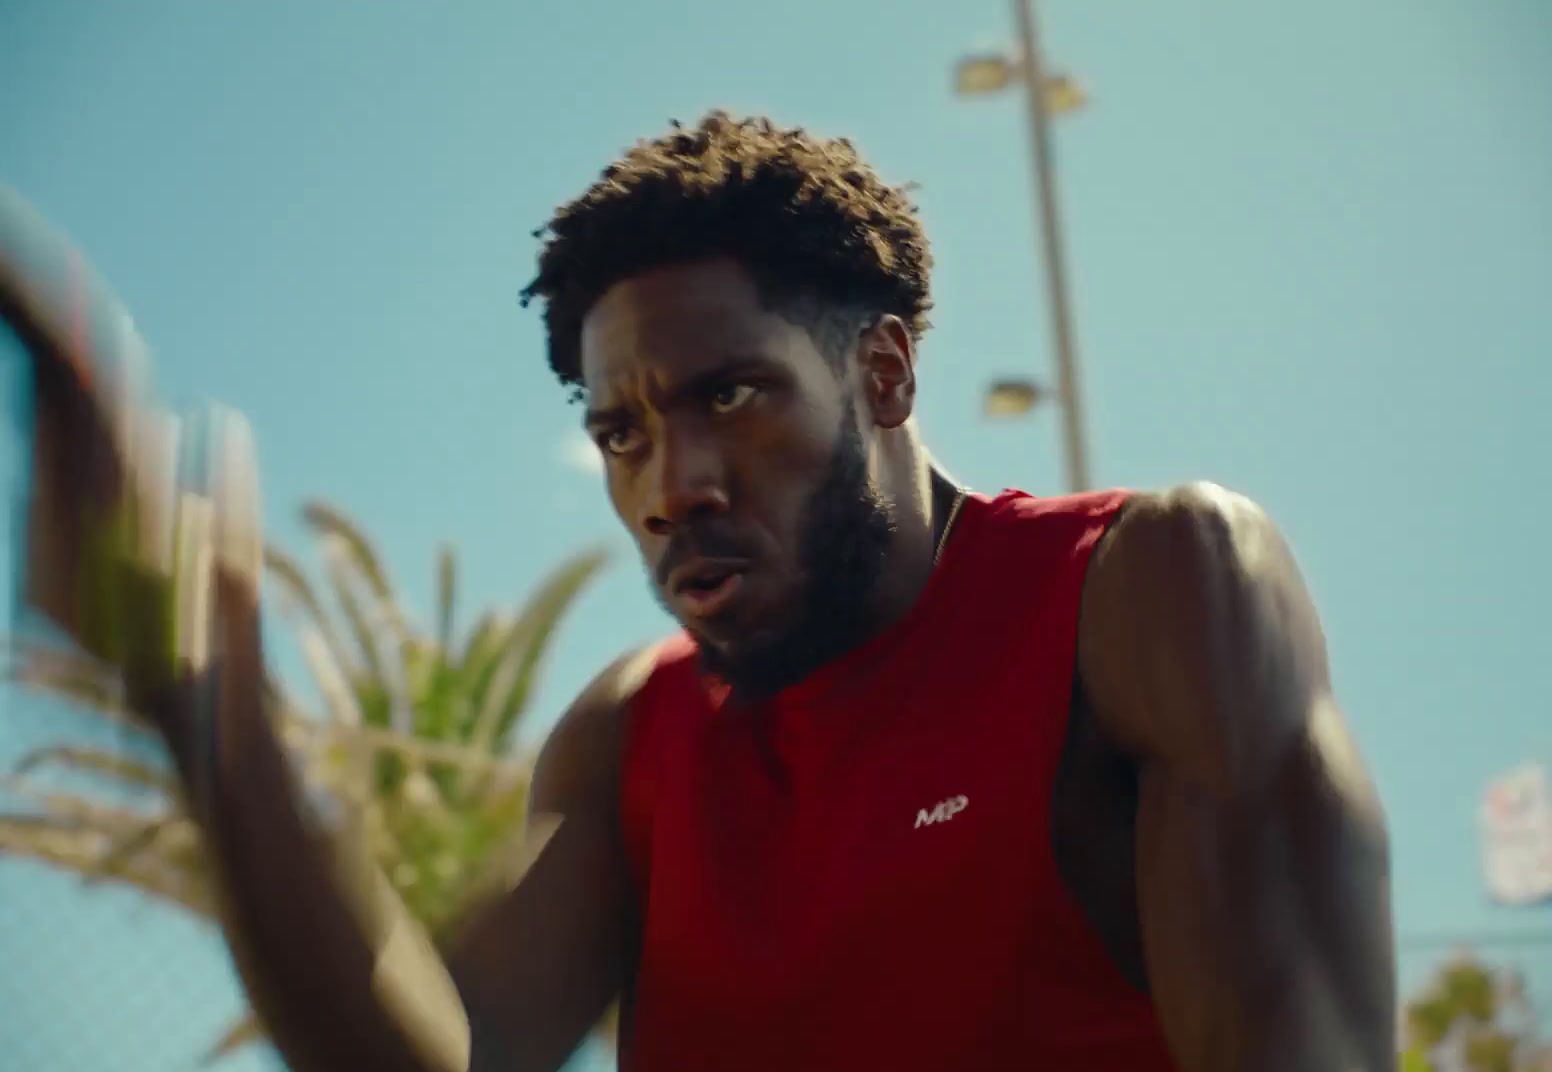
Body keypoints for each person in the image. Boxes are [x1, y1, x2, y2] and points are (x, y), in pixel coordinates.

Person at [15, 113, 1396, 1071]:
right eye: (619, 432)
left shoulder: (1153, 591)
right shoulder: (634, 738)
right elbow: (434, 1051)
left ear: (886, 375)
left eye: (727, 396)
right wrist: (216, 719)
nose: (669, 483)